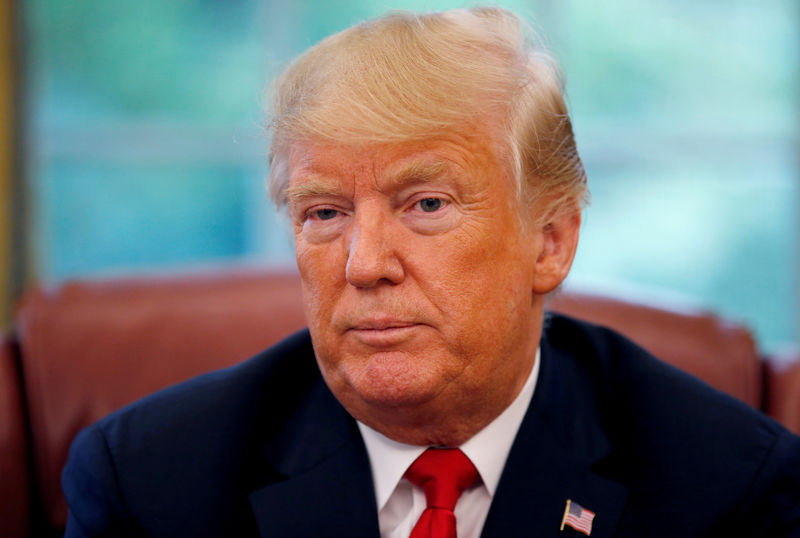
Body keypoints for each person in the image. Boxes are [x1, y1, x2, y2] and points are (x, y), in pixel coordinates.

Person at [63, 7, 800, 538]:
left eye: (426, 204)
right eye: (324, 213)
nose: (365, 264)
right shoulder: (152, 483)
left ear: (550, 241)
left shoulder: (724, 488)